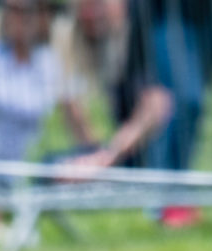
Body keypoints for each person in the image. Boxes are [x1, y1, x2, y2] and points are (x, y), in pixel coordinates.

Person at [55, 0, 174, 171]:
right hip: (114, 148)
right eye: (86, 8)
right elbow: (70, 99)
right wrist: (94, 155)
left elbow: (158, 104)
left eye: (99, 5)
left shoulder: (142, 30)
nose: (92, 15)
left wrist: (110, 154)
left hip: (151, 141)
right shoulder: (77, 33)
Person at [0, 0, 62, 169]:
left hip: (20, 171)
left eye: (28, 11)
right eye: (13, 10)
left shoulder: (48, 63)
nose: (20, 18)